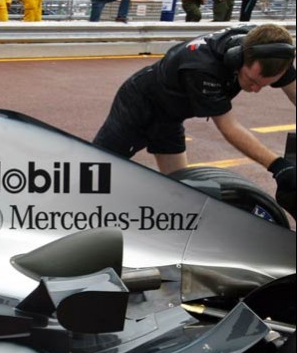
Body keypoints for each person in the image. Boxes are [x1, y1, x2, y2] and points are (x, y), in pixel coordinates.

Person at [93, 24, 297, 217]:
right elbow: (229, 128)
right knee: (94, 173)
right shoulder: (204, 68)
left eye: (264, 85)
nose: (255, 89)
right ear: (237, 58)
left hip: (171, 116)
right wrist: (278, 166)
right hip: (138, 106)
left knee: (180, 190)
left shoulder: (269, 50)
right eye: (251, 81)